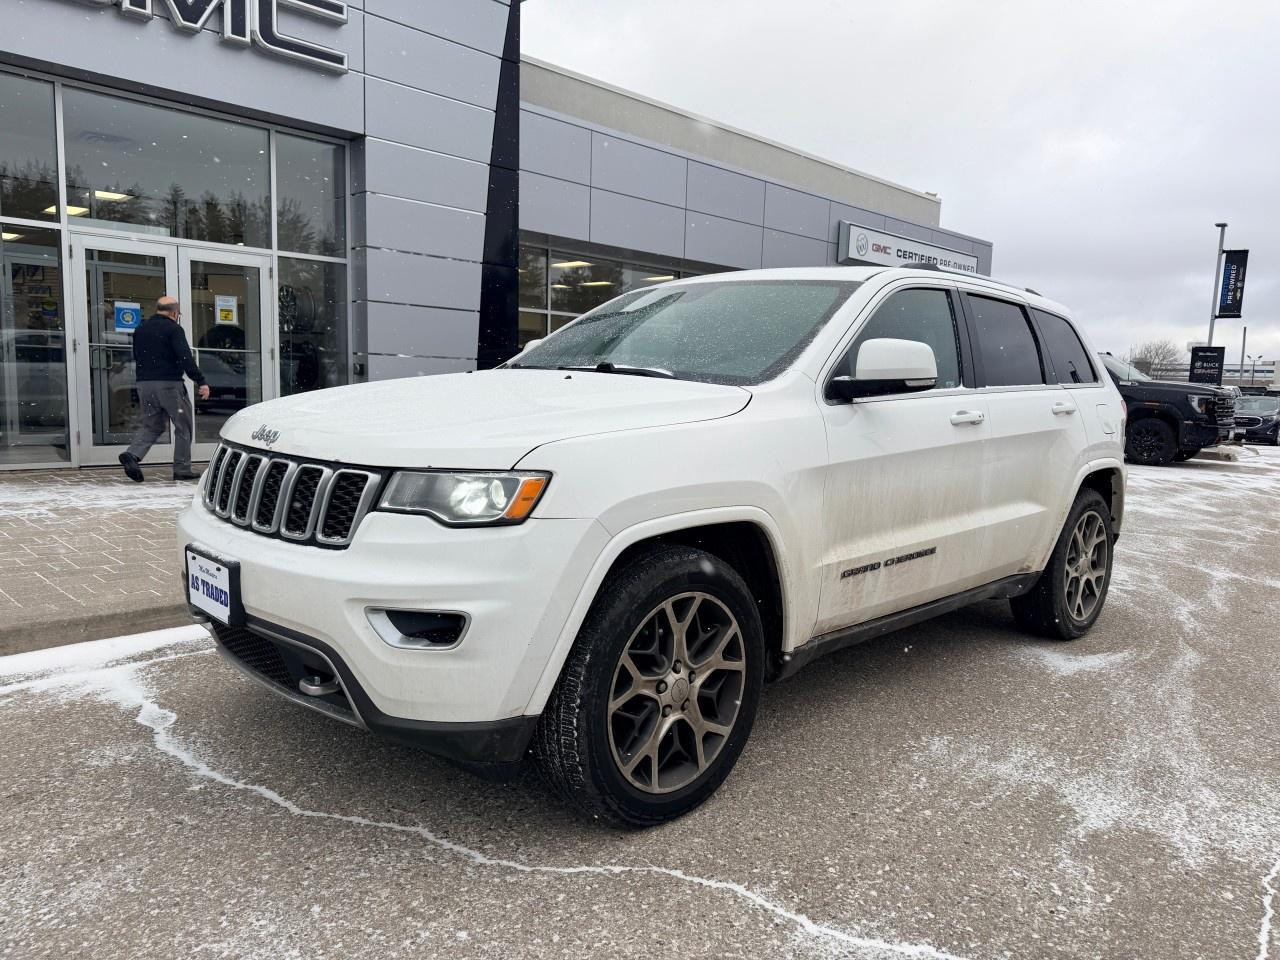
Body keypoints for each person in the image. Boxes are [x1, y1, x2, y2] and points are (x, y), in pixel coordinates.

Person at [118, 296, 210, 483]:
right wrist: (200, 381)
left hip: (145, 384)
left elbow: (138, 355)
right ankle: (182, 469)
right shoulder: (174, 329)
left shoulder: (140, 329)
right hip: (169, 385)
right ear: (174, 313)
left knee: (153, 425)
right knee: (183, 426)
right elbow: (185, 357)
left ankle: (132, 454)